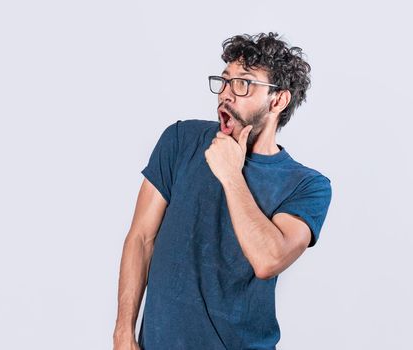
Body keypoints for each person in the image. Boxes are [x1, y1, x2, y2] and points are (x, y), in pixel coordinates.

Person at [112, 32, 332, 350]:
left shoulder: (306, 186)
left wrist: (231, 175)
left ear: (278, 100)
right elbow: (141, 239)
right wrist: (122, 333)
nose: (226, 94)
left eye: (243, 84)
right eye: (225, 81)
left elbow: (269, 259)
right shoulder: (180, 140)